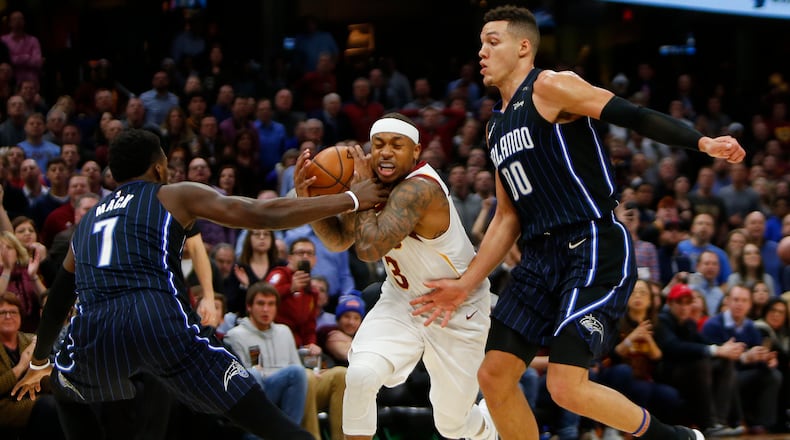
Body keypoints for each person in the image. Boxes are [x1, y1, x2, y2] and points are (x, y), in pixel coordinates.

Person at [413, 6, 745, 440]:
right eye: (480, 43)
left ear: (523, 46)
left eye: (492, 42)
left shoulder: (551, 86)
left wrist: (701, 141)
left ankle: (676, 438)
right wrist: (466, 283)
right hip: (538, 258)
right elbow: (506, 217)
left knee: (565, 386)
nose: (482, 52)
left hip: (592, 243)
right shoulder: (495, 126)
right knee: (493, 377)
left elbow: (633, 114)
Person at [10, 128, 387, 440]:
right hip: (157, 321)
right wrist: (351, 198)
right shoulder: (172, 193)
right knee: (268, 423)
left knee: (65, 389)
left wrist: (42, 359)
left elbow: (60, 295)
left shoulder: (87, 222)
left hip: (94, 332)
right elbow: (256, 213)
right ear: (159, 167)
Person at [298, 113, 497, 440]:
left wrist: (357, 196)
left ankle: (491, 426)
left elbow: (369, 249)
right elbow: (339, 240)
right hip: (402, 301)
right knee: (360, 375)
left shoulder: (419, 189)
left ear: (416, 151)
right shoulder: (372, 185)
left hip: (456, 308)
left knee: (451, 424)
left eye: (396, 145)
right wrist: (311, 200)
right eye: (378, 145)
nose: (385, 152)